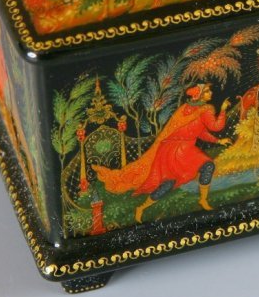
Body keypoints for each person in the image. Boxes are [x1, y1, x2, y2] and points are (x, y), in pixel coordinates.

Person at [94, 83, 231, 223]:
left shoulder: (186, 108)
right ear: (199, 96)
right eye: (207, 91)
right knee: (171, 182)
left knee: (194, 171)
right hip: (176, 152)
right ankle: (142, 207)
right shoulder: (205, 109)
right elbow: (216, 126)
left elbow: (198, 131)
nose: (210, 93)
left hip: (174, 150)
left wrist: (217, 141)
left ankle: (202, 200)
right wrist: (223, 110)